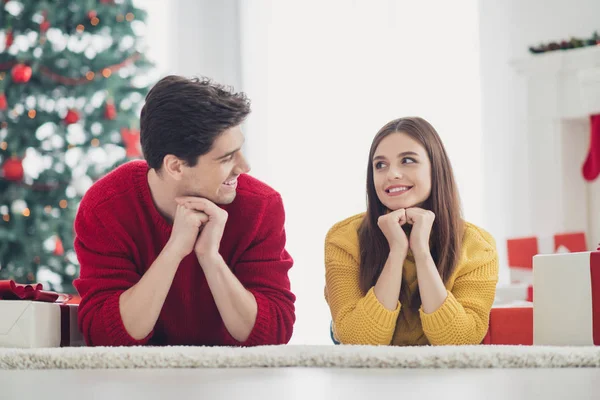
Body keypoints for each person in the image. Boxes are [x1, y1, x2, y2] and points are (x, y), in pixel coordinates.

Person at [73, 76, 295, 346]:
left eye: (240, 151)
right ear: (175, 166)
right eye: (226, 158)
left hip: (235, 380)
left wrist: (210, 257)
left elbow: (273, 334)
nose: (244, 167)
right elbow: (104, 337)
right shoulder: (106, 207)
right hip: (138, 382)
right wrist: (174, 251)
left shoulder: (261, 206)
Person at [324, 117, 498, 346]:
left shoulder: (477, 246)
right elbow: (358, 341)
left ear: (436, 169)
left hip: (446, 379)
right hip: (366, 379)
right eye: (380, 165)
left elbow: (460, 341)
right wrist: (397, 251)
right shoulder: (343, 239)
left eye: (407, 160)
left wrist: (422, 252)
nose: (392, 174)